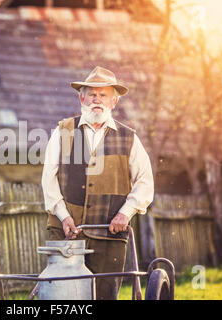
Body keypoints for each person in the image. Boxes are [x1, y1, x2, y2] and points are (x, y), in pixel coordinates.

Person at [41, 66, 154, 300]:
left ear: (114, 101)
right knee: (63, 297)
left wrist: (125, 213)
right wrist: (63, 216)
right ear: (81, 98)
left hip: (109, 236)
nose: (97, 100)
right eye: (92, 94)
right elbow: (48, 179)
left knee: (105, 295)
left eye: (103, 95)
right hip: (66, 232)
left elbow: (144, 182)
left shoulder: (129, 138)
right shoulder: (62, 131)